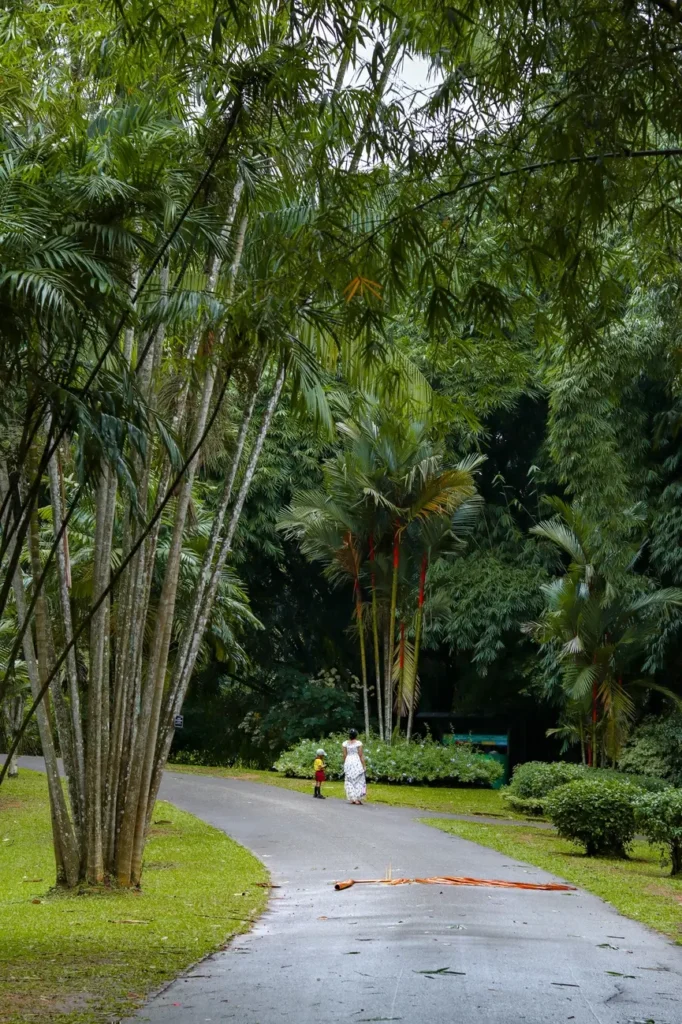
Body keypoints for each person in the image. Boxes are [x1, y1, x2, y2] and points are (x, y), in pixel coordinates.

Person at [342, 728, 366, 804]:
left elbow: (344, 755)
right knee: (359, 779)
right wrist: (364, 765)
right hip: (356, 760)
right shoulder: (358, 743)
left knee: (349, 780)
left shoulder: (345, 743)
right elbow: (360, 755)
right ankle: (358, 798)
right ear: (356, 735)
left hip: (348, 760)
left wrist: (345, 764)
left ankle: (353, 797)